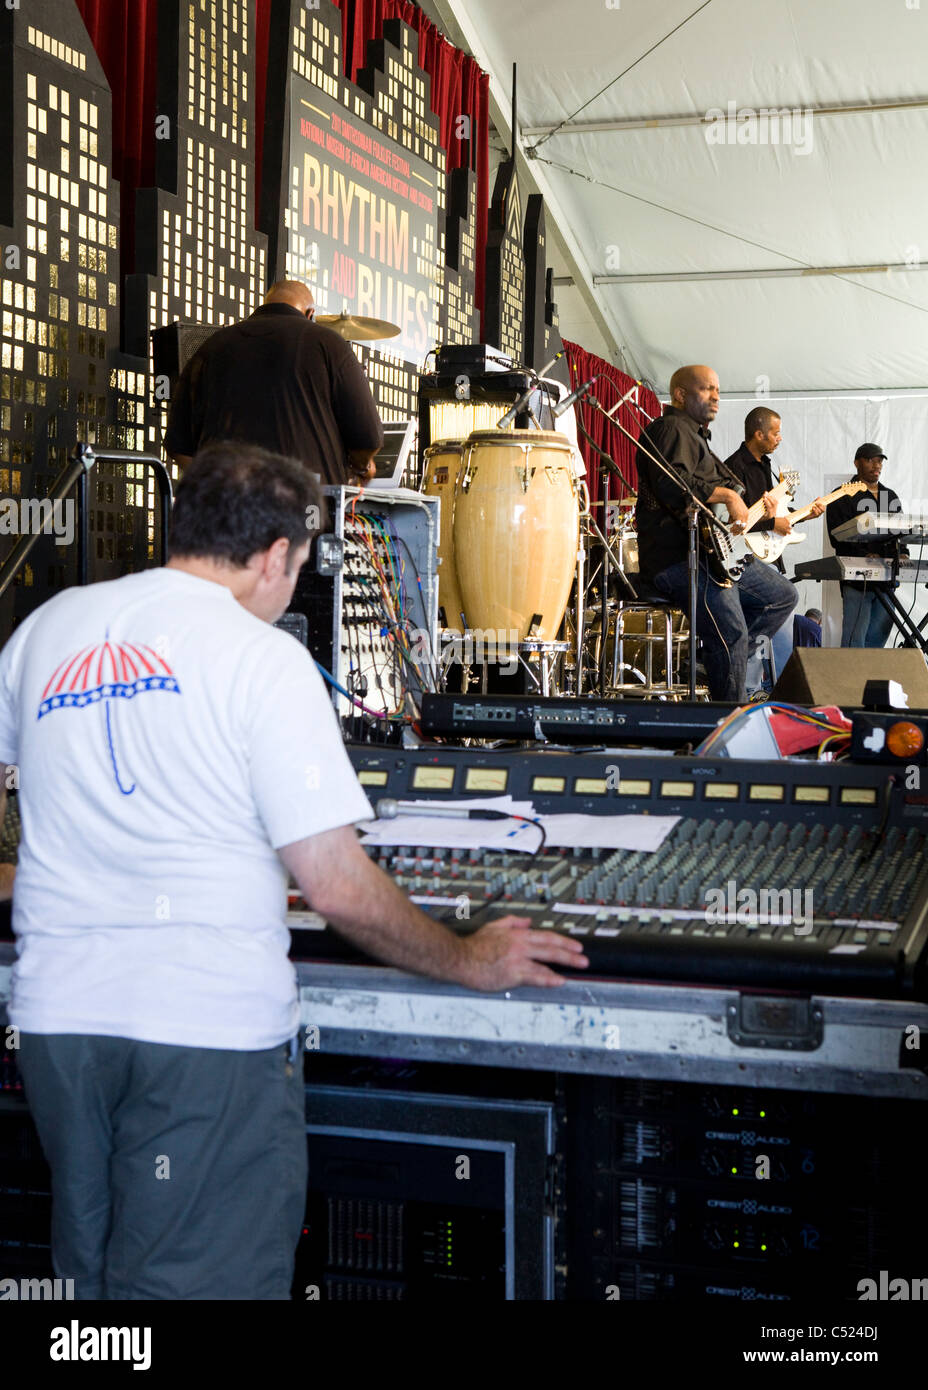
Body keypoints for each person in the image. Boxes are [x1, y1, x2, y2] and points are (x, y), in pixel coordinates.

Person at [0, 443, 586, 1301]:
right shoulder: (261, 659)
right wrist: (471, 958)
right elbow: (337, 886)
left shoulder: (49, 628)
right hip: (203, 1035)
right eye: (299, 568)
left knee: (90, 1292)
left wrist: (26, 877)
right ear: (276, 556)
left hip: (58, 1029)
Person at [634, 365, 797, 703]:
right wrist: (729, 495)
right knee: (732, 633)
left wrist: (753, 504)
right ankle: (727, 724)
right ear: (680, 394)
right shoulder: (669, 429)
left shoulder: (696, 436)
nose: (717, 397)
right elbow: (671, 485)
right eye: (707, 389)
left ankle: (714, 658)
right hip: (679, 557)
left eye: (718, 390)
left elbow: (717, 488)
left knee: (782, 596)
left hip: (715, 553)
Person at [164, 280, 384, 485]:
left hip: (226, 511)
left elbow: (178, 445)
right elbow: (368, 437)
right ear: (310, 314)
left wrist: (212, 487)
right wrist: (363, 467)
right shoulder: (328, 343)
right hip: (304, 507)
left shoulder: (212, 346)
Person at [724, 407, 825, 689]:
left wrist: (806, 513)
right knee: (769, 628)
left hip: (766, 557)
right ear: (759, 434)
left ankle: (778, 693)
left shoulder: (765, 466)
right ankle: (754, 689)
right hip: (742, 558)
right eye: (776, 432)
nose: (780, 438)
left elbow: (777, 516)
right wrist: (772, 520)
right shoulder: (735, 467)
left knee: (779, 634)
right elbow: (733, 523)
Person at [826, 444, 905, 648]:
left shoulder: (890, 495)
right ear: (857, 462)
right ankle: (850, 679)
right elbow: (837, 537)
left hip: (887, 579)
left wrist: (903, 554)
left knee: (877, 641)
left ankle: (870, 679)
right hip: (857, 581)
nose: (876, 465)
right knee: (855, 641)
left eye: (879, 461)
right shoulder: (842, 494)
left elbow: (901, 531)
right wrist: (865, 554)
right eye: (870, 460)